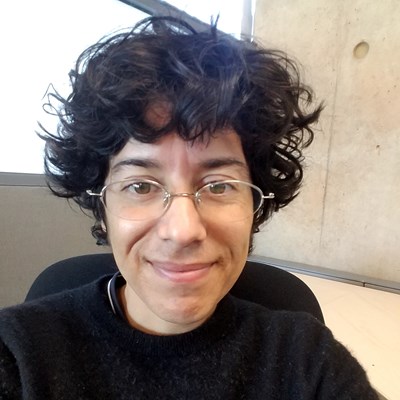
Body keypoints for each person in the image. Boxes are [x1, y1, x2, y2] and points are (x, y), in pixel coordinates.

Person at [0, 16, 378, 399]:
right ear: (102, 207)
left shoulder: (308, 361)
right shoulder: (17, 356)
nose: (182, 231)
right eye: (141, 186)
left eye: (218, 186)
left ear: (255, 204)